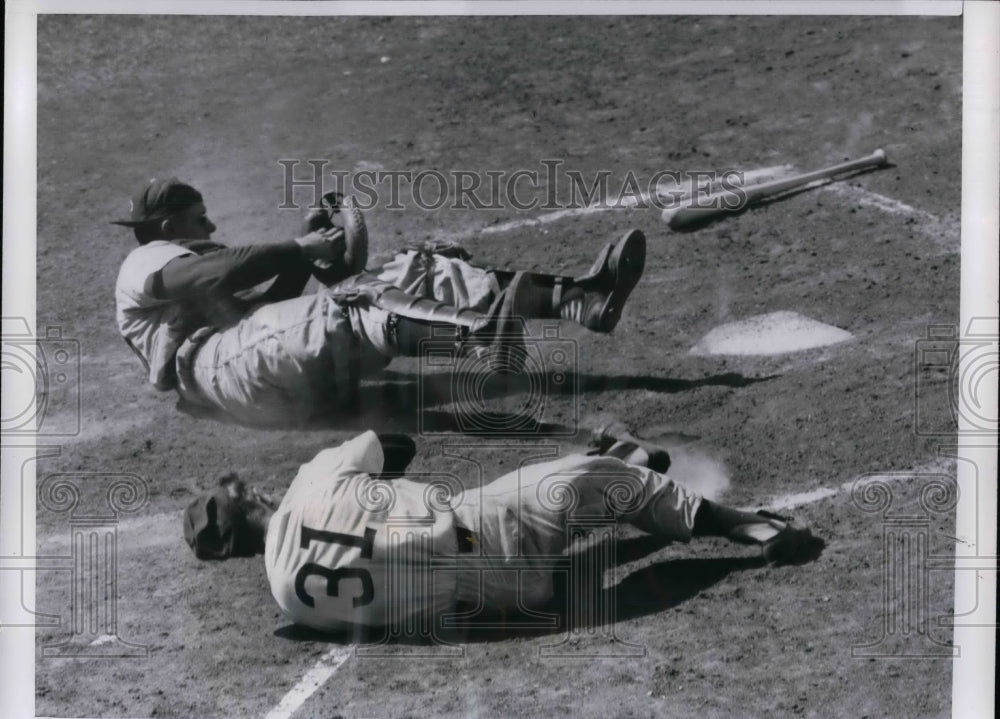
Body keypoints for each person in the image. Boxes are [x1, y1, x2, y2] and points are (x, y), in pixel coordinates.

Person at [182, 424, 823, 634]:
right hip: (486, 528)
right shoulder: (313, 480)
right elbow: (394, 445)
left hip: (503, 605)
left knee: (549, 520)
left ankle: (616, 465)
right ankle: (751, 532)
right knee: (590, 480)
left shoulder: (287, 597)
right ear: (247, 497)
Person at [113, 178, 647, 428]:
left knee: (415, 268)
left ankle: (582, 299)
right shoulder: (150, 261)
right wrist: (295, 248)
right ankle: (479, 338)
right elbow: (212, 274)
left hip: (269, 382)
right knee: (356, 301)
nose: (210, 225)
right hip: (222, 376)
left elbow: (262, 316)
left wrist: (305, 261)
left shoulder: (189, 268)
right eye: (200, 217)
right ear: (166, 227)